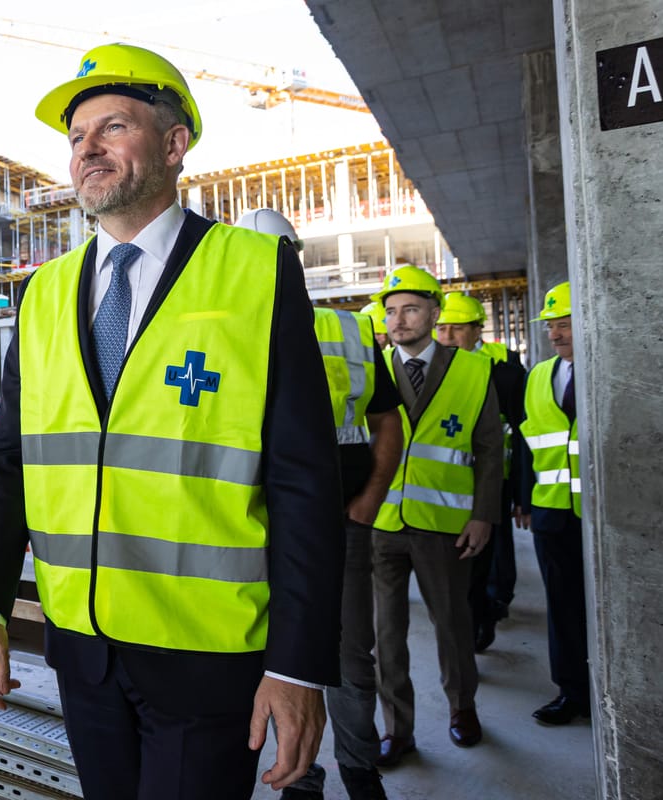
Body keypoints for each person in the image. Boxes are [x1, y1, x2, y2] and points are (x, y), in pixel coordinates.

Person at [0, 44, 347, 800]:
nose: (87, 150)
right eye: (76, 137)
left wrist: (298, 666)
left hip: (208, 655)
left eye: (113, 127)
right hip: (83, 650)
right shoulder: (42, 294)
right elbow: (8, 463)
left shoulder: (257, 271)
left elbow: (304, 480)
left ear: (173, 144)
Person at [237, 209, 403, 800]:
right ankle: (300, 775)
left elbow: (386, 421)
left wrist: (370, 500)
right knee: (269, 655)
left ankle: (359, 768)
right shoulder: (226, 328)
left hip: (341, 520)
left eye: (282, 257)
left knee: (348, 654)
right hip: (254, 527)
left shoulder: (349, 330)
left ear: (296, 259)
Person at [369, 265, 502, 767]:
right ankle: (397, 728)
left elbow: (489, 449)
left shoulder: (472, 370)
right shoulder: (372, 368)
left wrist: (483, 515)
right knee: (386, 635)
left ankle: (462, 708)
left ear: (434, 313)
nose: (398, 320)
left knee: (451, 623)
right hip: (382, 524)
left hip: (444, 526)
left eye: (410, 309)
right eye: (390, 311)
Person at [436, 291, 527, 651]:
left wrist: (521, 493)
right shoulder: (429, 371)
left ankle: (489, 609)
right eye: (442, 328)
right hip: (445, 482)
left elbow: (522, 434)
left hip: (492, 480)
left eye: (457, 328)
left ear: (477, 330)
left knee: (491, 553)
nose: (448, 336)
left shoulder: (503, 373)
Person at [516, 281, 589, 725]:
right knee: (562, 608)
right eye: (550, 326)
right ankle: (571, 691)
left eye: (565, 324)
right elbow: (527, 444)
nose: (556, 334)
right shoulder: (539, 375)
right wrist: (524, 500)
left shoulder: (608, 368)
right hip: (552, 514)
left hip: (601, 518)